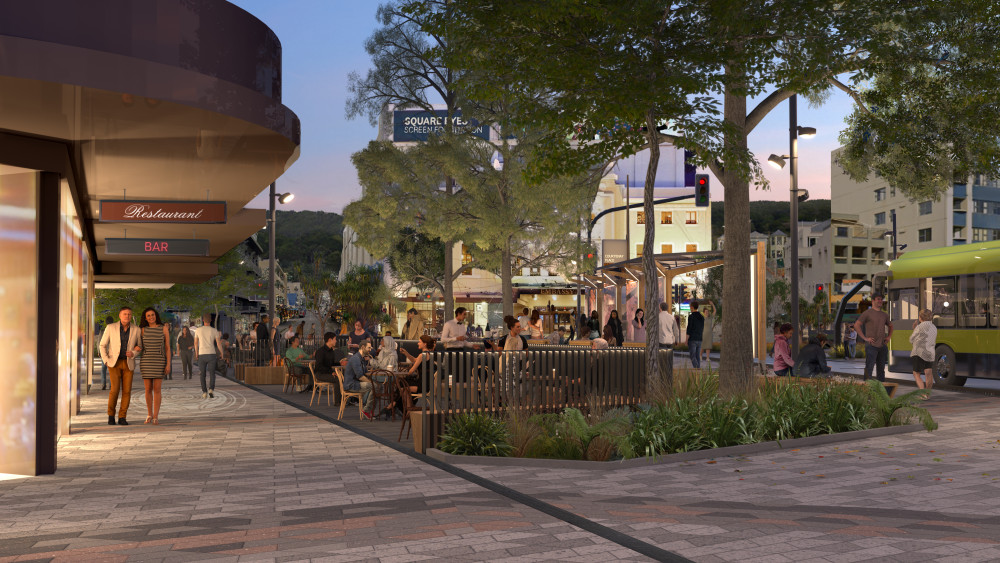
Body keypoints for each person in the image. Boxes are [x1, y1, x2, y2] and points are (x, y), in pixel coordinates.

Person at [100, 306, 142, 425]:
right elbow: (102, 345)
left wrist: (133, 353)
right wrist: (106, 360)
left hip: (128, 363)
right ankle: (111, 415)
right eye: (125, 314)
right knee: (114, 390)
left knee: (127, 391)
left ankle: (122, 417)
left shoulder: (136, 329)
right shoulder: (111, 327)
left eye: (129, 314)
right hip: (114, 363)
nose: (127, 316)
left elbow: (139, 347)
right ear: (120, 315)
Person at [138, 307, 170, 424]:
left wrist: (168, 364)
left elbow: (167, 348)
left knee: (157, 389)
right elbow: (139, 346)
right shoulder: (142, 330)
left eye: (152, 315)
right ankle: (149, 414)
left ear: (156, 315)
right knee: (147, 389)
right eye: (148, 316)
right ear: (145, 318)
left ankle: (156, 416)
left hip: (159, 361)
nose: (151, 317)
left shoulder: (163, 329)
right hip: (146, 361)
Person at [854, 293, 893, 381]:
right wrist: (865, 338)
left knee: (881, 370)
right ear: (873, 301)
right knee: (869, 368)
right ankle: (867, 389)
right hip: (871, 346)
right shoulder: (867, 313)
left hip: (882, 346)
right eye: (878, 299)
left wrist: (889, 337)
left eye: (881, 299)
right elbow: (856, 325)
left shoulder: (884, 315)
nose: (880, 301)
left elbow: (891, 326)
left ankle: (881, 390)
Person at [343, 338, 375, 419]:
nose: (370, 350)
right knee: (374, 387)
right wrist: (371, 383)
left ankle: (368, 408)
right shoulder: (356, 359)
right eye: (369, 348)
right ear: (363, 347)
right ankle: (367, 410)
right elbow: (360, 376)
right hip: (351, 385)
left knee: (377, 386)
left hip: (356, 383)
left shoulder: (361, 358)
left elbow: (365, 372)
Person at [194, 313, 224, 398]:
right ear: (211, 320)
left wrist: (196, 353)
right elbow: (218, 343)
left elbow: (196, 343)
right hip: (211, 354)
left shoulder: (198, 330)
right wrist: (222, 353)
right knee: (212, 373)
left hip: (202, 354)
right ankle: (211, 389)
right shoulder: (214, 330)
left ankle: (204, 392)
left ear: (203, 320)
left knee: (202, 374)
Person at [910, 309, 937, 396]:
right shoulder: (934, 327)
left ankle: (922, 393)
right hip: (930, 352)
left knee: (916, 373)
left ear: (920, 317)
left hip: (919, 352)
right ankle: (927, 394)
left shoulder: (919, 326)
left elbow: (911, 339)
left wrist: (914, 329)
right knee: (928, 373)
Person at [658, 302, 681, 380]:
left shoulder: (658, 317)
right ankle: (669, 376)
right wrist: (676, 340)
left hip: (661, 341)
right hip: (670, 341)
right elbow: (676, 330)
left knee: (662, 360)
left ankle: (662, 377)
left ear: (660, 307)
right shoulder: (671, 317)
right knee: (669, 360)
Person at [686, 300, 705, 369]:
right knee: (697, 356)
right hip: (699, 338)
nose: (690, 308)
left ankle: (697, 367)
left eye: (690, 307)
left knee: (692, 355)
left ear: (692, 307)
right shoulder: (701, 317)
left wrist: (686, 339)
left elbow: (689, 328)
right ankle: (698, 370)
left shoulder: (691, 317)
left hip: (692, 338)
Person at [98, 315, 115, 390]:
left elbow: (99, 342)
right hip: (112, 353)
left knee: (103, 369)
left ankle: (103, 384)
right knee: (111, 369)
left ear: (106, 322)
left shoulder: (102, 331)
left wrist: (99, 352)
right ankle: (111, 385)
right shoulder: (115, 331)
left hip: (104, 352)